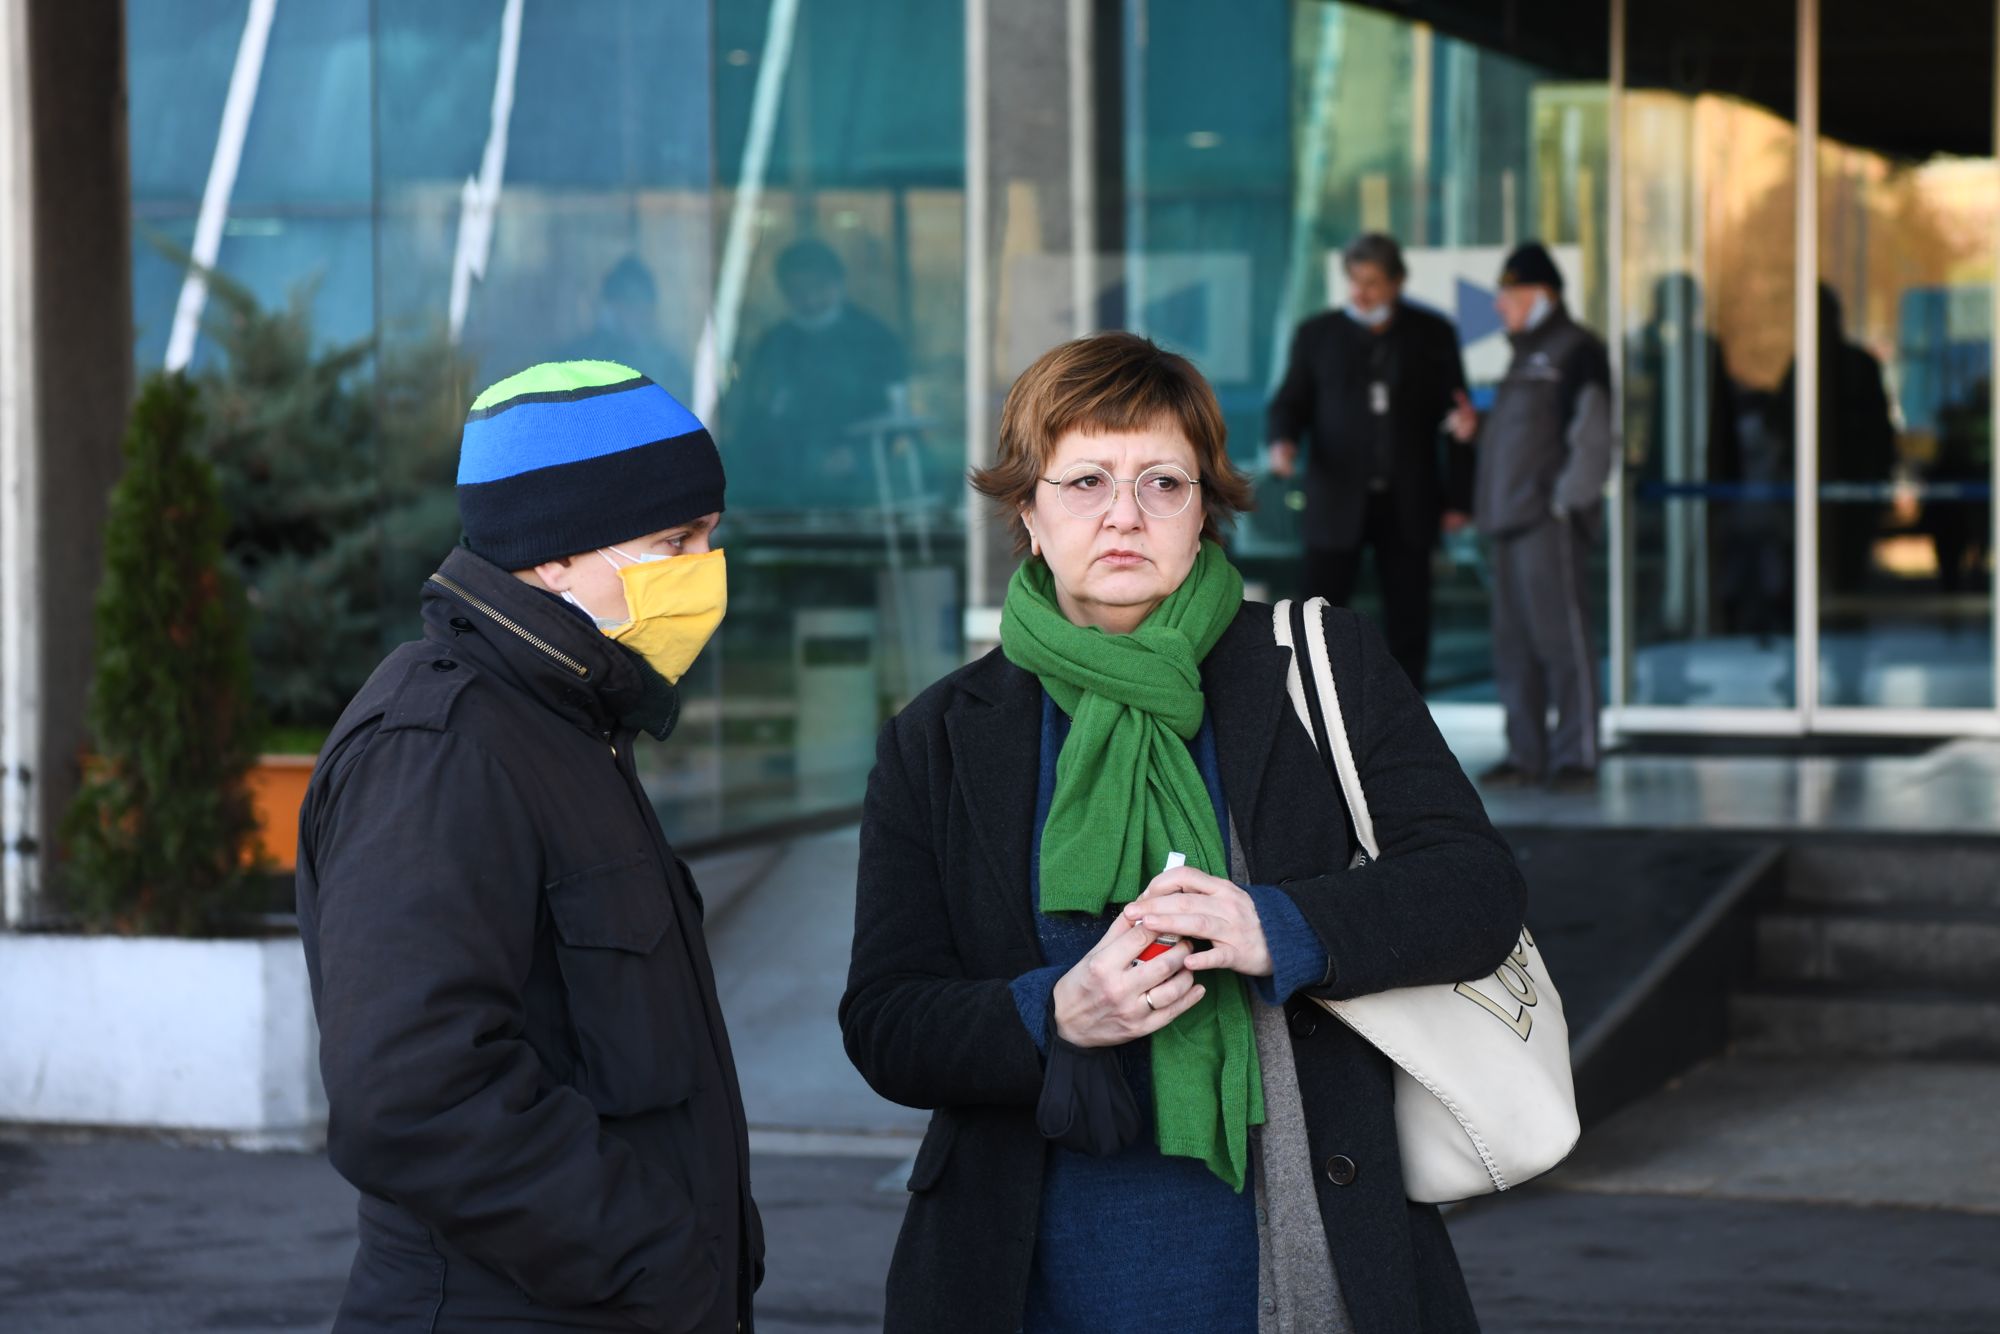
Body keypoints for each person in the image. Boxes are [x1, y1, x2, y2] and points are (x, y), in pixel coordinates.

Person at [841, 332, 1526, 1334]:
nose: (1124, 514)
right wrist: (1053, 1012)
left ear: (1204, 506)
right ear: (1027, 508)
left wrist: (1279, 926)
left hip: (1301, 1269)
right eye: (1085, 481)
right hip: (1040, 1283)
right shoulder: (940, 736)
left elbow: (1476, 889)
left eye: (1162, 482)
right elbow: (886, 1020)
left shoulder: (1317, 667)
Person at [295, 361, 762, 1332]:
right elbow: (413, 1095)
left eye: (708, 536)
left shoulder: (569, 719)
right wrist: (656, 1258)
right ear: (553, 555)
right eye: (674, 541)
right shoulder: (439, 746)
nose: (703, 569)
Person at [1266, 232, 1478, 691]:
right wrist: (1283, 443)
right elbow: (1289, 403)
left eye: (1373, 283)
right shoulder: (1317, 335)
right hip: (1336, 498)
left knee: (1409, 616)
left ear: (1397, 283)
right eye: (1355, 281)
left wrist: (1460, 498)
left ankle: (1406, 714)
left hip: (1409, 500)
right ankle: (1313, 707)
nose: (1360, 294)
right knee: (1317, 613)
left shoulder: (1432, 334)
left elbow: (1458, 420)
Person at [1471, 242, 1613, 791]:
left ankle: (1576, 754)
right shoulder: (1522, 355)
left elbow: (1593, 436)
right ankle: (1525, 754)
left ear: (1540, 295)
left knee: (1562, 642)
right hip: (1509, 520)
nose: (1499, 306)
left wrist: (1564, 504)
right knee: (1513, 647)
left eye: (1508, 295)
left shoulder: (1576, 350)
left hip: (1546, 523)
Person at [723, 237, 908, 507]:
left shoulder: (875, 340)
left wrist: (858, 455)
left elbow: (898, 416)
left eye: (818, 288)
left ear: (839, 284)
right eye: (797, 291)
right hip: (779, 492)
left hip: (864, 492)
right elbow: (753, 414)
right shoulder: (773, 344)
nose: (809, 299)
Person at [560, 255, 694, 402]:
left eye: (640, 305)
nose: (635, 315)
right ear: (609, 308)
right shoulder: (577, 361)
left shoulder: (670, 369)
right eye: (627, 304)